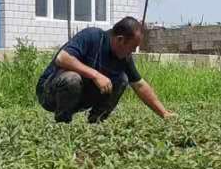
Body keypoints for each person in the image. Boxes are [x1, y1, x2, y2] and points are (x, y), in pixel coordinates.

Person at [37, 17, 174, 123]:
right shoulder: (92, 36)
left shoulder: (124, 57)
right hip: (49, 93)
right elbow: (62, 58)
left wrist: (164, 113)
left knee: (121, 79)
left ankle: (96, 122)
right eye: (132, 47)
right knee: (72, 78)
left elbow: (139, 85)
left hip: (79, 97)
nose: (132, 51)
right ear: (120, 40)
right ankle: (63, 125)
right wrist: (95, 75)